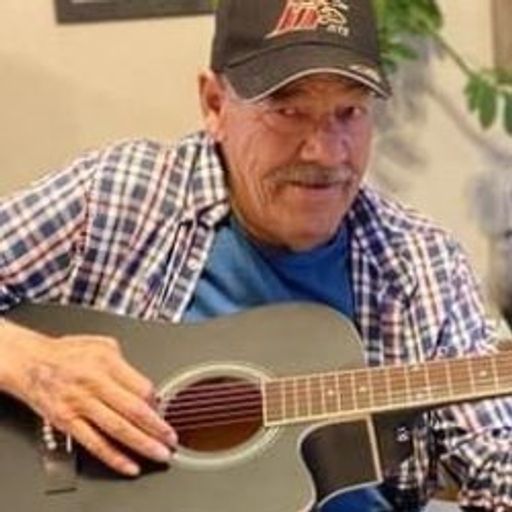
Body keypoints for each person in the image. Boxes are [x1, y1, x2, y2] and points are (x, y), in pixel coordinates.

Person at [1, 0, 512, 510]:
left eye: (349, 112)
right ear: (214, 105)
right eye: (288, 112)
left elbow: (493, 457)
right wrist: (34, 363)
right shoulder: (120, 196)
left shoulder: (422, 262)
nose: (326, 152)